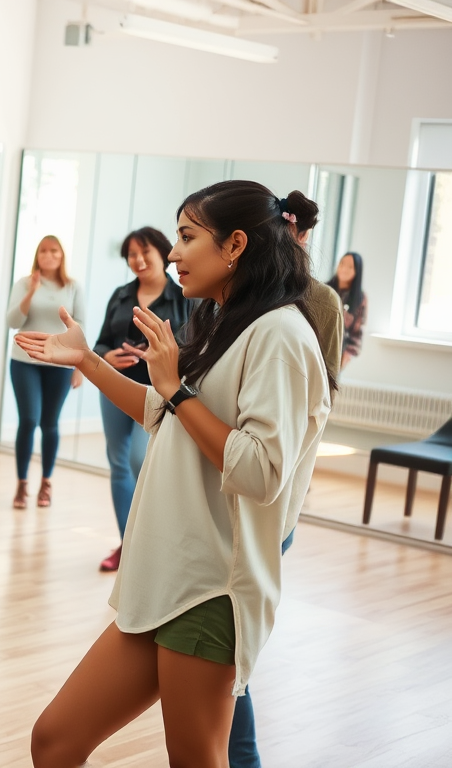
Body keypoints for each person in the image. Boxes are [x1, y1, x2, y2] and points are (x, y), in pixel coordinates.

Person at [17, 181, 335, 768]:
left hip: (210, 588)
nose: (172, 255)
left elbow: (262, 472)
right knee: (54, 741)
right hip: (166, 581)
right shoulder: (224, 322)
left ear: (235, 244)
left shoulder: (281, 336)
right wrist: (86, 359)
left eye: (187, 237)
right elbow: (161, 412)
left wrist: (177, 388)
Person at [226, 190, 345, 768]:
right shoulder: (244, 294)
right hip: (227, 483)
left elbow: (309, 405)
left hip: (267, 489)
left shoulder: (313, 306)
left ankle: (241, 757)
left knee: (230, 645)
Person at [92, 227, 191, 573]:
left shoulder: (183, 298)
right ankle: (128, 546)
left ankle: (151, 542)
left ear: (162, 253)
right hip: (115, 388)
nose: (138, 260)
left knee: (139, 460)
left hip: (157, 394)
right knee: (118, 464)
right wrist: (106, 357)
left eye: (144, 252)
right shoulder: (121, 295)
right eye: (131, 254)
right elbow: (100, 342)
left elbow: (194, 351)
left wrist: (161, 356)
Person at [6, 235, 85, 509]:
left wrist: (80, 368)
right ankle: (22, 484)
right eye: (43, 251)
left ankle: (46, 483)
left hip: (60, 364)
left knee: (50, 423)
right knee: (28, 420)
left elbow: (80, 327)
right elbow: (12, 321)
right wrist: (31, 292)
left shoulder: (73, 287)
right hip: (24, 362)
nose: (49, 255)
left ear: (61, 255)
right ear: (37, 255)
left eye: (54, 251)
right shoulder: (24, 283)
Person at [327, 251, 367, 371]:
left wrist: (346, 357)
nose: (344, 269)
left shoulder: (360, 299)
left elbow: (358, 332)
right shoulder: (325, 290)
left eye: (350, 267)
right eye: (342, 264)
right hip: (317, 345)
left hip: (338, 353)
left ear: (357, 272)